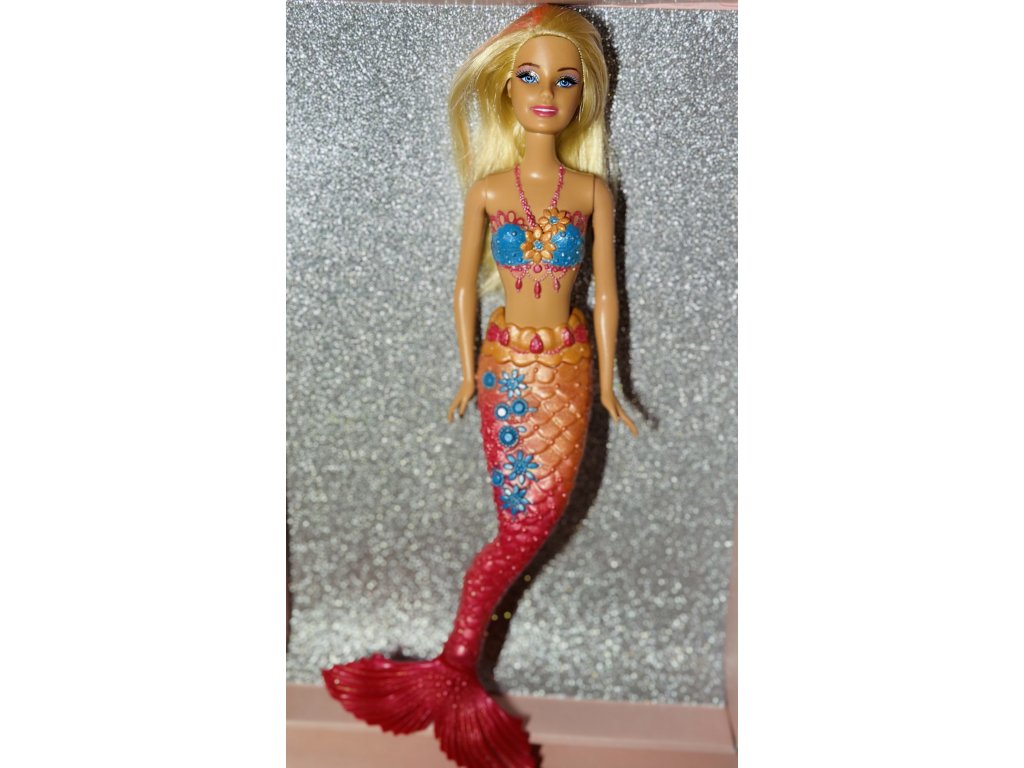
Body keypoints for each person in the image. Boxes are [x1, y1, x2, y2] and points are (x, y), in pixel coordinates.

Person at [323, 7, 636, 767]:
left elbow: (607, 292)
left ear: (583, 95)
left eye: (564, 80)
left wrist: (609, 384)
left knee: (532, 527)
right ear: (506, 89)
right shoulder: (491, 190)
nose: (546, 93)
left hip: (568, 371)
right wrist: (467, 372)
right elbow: (463, 285)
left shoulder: (592, 193)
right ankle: (456, 661)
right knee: (518, 530)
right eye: (530, 76)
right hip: (506, 371)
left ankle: (455, 662)